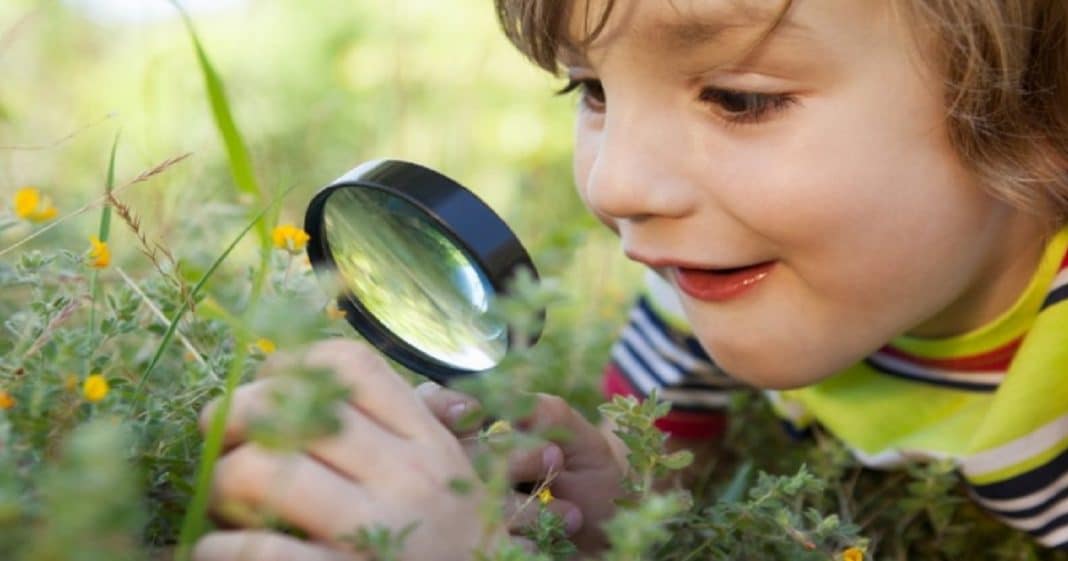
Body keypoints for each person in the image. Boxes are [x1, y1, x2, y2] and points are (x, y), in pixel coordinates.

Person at [191, 0, 1068, 559]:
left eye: (739, 97)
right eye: (592, 90)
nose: (616, 186)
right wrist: (620, 496)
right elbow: (667, 473)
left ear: (1044, 112)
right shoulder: (713, 278)